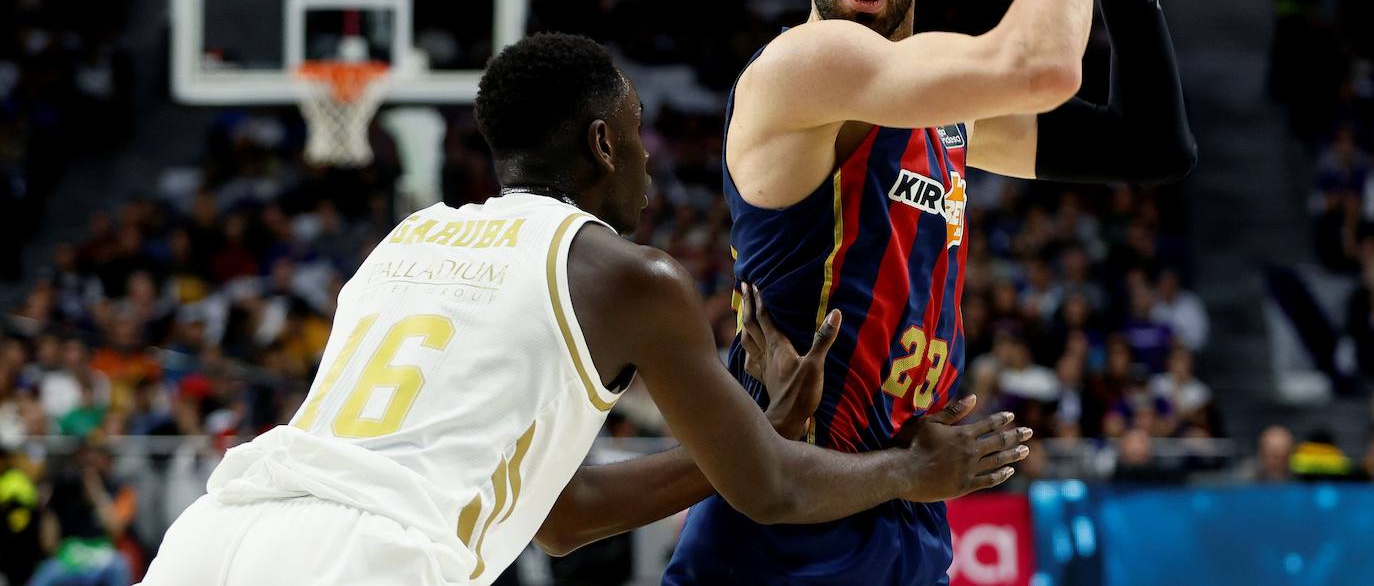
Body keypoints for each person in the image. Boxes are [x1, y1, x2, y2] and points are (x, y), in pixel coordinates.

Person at [141, 33, 1028, 586]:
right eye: (638, 132)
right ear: (604, 143)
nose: (648, 160)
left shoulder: (405, 241)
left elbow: (559, 517)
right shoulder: (628, 275)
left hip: (214, 532)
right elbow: (773, 489)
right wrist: (917, 473)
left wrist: (756, 426)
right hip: (372, 561)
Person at [666, 0, 1196, 584]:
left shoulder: (944, 105)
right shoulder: (805, 66)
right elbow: (1046, 64)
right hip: (791, 526)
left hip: (909, 503)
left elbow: (1150, 146)